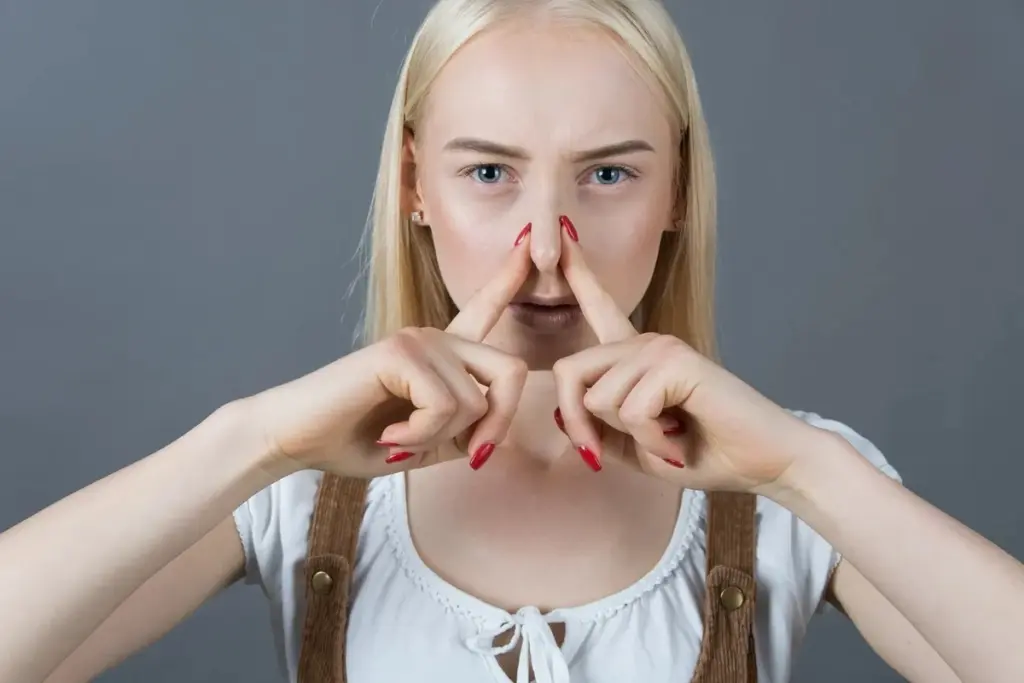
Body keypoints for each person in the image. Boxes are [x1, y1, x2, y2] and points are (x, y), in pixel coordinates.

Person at [1, 0, 1022, 682]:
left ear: (676, 189)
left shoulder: (796, 485)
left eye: (608, 174)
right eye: (488, 173)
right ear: (414, 183)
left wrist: (805, 469)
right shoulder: (297, 481)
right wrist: (252, 439)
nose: (543, 246)